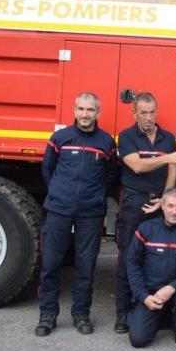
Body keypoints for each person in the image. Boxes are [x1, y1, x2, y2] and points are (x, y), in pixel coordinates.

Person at [35, 92, 116, 337]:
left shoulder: (106, 142)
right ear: (74, 110)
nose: (85, 114)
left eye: (90, 110)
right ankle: (47, 315)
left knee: (85, 264)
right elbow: (47, 169)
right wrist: (60, 193)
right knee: (50, 263)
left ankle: (81, 314)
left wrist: (94, 197)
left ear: (98, 113)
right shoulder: (60, 138)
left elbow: (110, 175)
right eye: (81, 109)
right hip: (59, 209)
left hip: (90, 213)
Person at [114, 92, 176, 334]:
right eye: (143, 112)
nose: (148, 117)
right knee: (129, 256)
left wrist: (165, 202)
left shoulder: (167, 138)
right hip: (135, 201)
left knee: (159, 258)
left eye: (152, 112)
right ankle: (123, 312)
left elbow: (172, 173)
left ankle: (154, 308)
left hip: (159, 203)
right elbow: (136, 165)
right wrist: (168, 157)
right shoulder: (126, 136)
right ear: (134, 113)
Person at [126, 187, 176, 348]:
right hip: (151, 293)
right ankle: (156, 316)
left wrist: (172, 287)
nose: (174, 211)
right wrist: (143, 296)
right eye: (170, 206)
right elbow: (133, 264)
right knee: (138, 340)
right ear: (162, 205)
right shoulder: (145, 229)